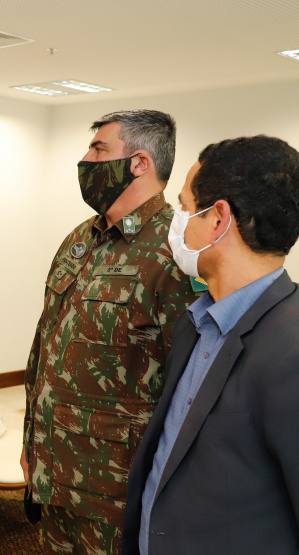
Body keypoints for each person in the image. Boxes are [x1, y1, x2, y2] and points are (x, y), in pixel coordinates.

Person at [22, 109, 200, 554]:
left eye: (99, 149)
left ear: (139, 163)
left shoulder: (178, 248)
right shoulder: (81, 237)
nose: (86, 159)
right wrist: (31, 440)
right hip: (54, 465)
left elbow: (191, 383)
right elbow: (45, 344)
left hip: (115, 484)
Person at [122, 136, 299, 554]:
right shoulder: (196, 323)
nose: (178, 223)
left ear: (218, 219)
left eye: (185, 209)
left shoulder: (290, 350)